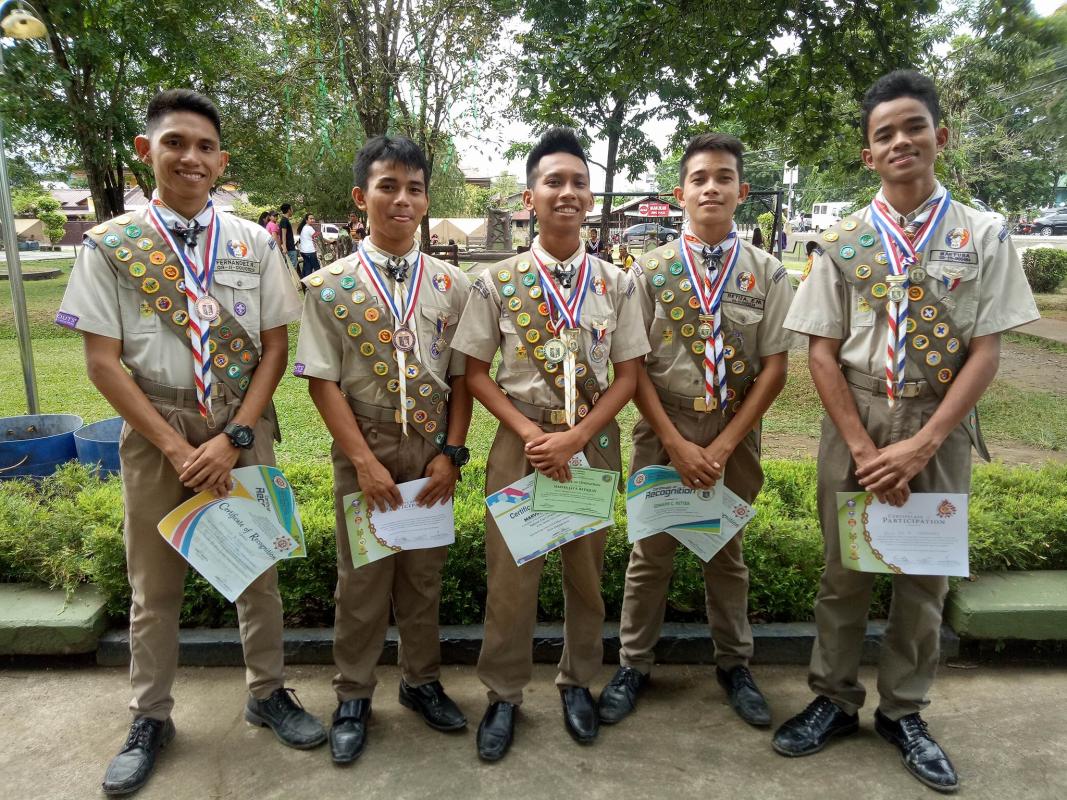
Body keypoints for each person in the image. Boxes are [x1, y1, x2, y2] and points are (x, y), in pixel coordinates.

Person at [772, 70, 1039, 793]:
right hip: (856, 417)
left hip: (938, 421)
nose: (900, 142)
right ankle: (832, 699)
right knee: (844, 572)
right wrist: (863, 447)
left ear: (939, 137)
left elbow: (985, 350)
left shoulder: (981, 234)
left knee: (923, 577)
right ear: (868, 154)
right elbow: (820, 352)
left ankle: (903, 711)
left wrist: (922, 443)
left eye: (913, 127)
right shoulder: (842, 242)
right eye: (883, 134)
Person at [54, 89, 325, 797]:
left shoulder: (253, 242)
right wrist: (177, 450)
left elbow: (275, 347)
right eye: (175, 142)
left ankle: (268, 693)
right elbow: (102, 364)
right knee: (154, 586)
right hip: (157, 431)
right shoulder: (111, 245)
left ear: (221, 161)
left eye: (205, 146)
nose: (190, 158)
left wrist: (235, 436)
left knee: (257, 572)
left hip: (239, 425)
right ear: (146, 151)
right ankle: (150, 716)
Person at [451, 127, 650, 762]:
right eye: (553, 181)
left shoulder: (617, 284)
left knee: (585, 575)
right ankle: (503, 694)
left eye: (578, 183)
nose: (567, 193)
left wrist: (579, 437)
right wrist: (534, 434)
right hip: (523, 443)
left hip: (591, 441)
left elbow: (629, 376)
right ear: (529, 197)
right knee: (511, 578)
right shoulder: (494, 282)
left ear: (590, 197)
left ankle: (576, 683)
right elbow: (475, 373)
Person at [597, 133, 795, 731]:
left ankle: (735, 666)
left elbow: (776, 368)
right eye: (700, 178)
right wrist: (678, 444)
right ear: (679, 192)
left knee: (725, 554)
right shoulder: (649, 273)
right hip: (665, 427)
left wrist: (725, 443)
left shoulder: (767, 273)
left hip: (734, 426)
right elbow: (632, 368)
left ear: (742, 190)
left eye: (724, 177)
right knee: (650, 554)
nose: (712, 187)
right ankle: (633, 664)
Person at [293, 135, 473, 765]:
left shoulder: (454, 285)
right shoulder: (330, 286)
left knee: (423, 576)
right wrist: (364, 463)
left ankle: (421, 681)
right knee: (362, 579)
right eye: (387, 186)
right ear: (360, 196)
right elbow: (322, 382)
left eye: (414, 189)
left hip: (430, 448)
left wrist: (452, 452)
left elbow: (462, 379)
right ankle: (353, 694)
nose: (402, 200)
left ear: (426, 199)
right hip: (363, 442)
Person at [297, 213, 320, 278]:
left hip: (303, 251)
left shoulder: (303, 227)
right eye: (311, 219)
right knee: (317, 268)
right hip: (310, 251)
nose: (312, 220)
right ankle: (319, 280)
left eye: (313, 218)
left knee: (307, 268)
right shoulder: (309, 228)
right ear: (306, 220)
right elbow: (318, 238)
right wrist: (329, 241)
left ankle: (304, 282)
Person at [279, 203, 297, 271]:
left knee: (291, 267)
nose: (292, 211)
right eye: (291, 209)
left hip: (289, 247)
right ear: (289, 210)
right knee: (292, 268)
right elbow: (283, 235)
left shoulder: (285, 220)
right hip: (289, 248)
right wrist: (284, 247)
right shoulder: (284, 220)